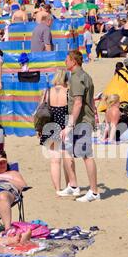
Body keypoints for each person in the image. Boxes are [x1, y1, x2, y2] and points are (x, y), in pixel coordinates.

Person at [58, 50, 100, 202]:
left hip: (81, 121)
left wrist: (69, 125)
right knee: (67, 150)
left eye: (67, 59)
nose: (65, 62)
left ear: (73, 61)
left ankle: (94, 192)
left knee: (86, 155)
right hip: (82, 119)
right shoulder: (85, 76)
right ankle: (73, 185)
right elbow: (91, 101)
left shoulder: (77, 78)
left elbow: (78, 103)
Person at [38, 70, 69, 192]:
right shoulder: (68, 92)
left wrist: (39, 128)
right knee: (67, 160)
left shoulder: (47, 92)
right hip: (64, 127)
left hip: (50, 127)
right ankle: (69, 187)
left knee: (55, 161)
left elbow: (40, 111)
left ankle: (57, 189)